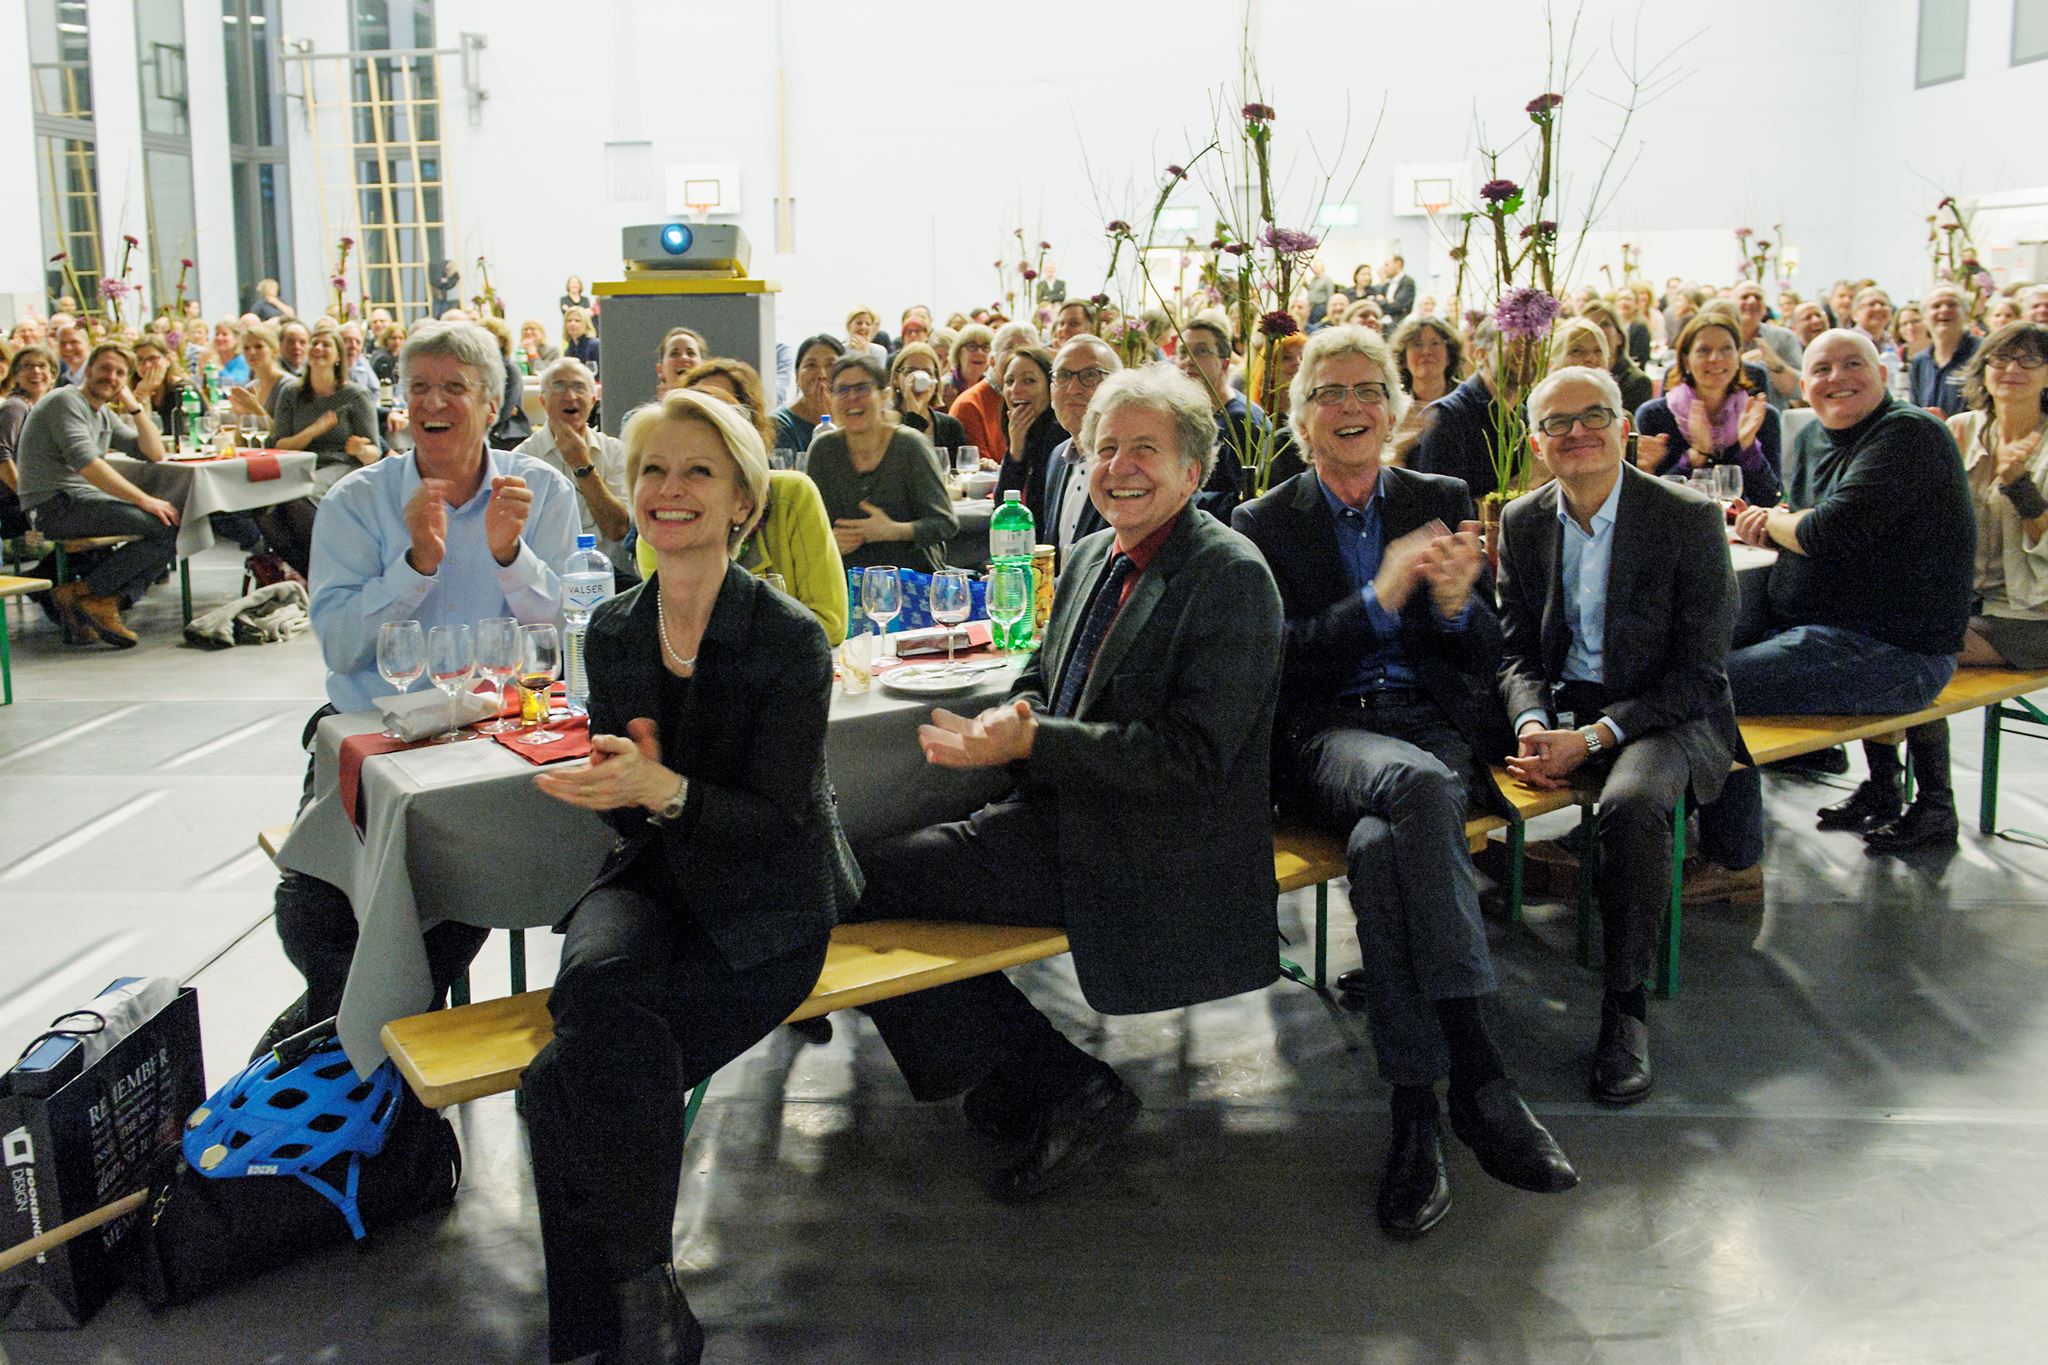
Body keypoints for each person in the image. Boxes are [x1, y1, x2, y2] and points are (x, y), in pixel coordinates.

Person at [848, 363, 1284, 1203]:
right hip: (1058, 815)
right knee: (863, 859)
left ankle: (1055, 1078)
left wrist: (1035, 740)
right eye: (1105, 447)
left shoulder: (1230, 576)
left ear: (1194, 471)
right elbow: (1046, 680)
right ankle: (1016, 1072)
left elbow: (1191, 760)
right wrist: (1013, 723)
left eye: (1144, 450)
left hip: (1152, 847)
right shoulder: (1090, 554)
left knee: (863, 880)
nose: (1118, 465)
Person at [523, 388, 852, 1364]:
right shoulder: (615, 632)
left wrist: (662, 786)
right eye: (652, 470)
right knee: (594, 986)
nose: (669, 490)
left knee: (559, 1081)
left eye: (697, 471)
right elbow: (633, 804)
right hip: (652, 878)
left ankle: (605, 1326)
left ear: (742, 501)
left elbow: (777, 820)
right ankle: (643, 1300)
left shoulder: (787, 639)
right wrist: (612, 787)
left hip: (766, 908)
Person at [1230, 326, 1577, 1238]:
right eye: (1331, 392)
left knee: (1387, 851)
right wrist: (1377, 600)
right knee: (1416, 793)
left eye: (1368, 390)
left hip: (1428, 726)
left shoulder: (1439, 495)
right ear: (1300, 415)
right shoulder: (1261, 524)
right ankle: (1480, 1071)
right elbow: (1279, 669)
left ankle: (1417, 1115)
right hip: (1326, 739)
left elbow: (1481, 650)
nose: (1351, 408)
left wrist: (1458, 603)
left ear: (1395, 408)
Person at [267, 322, 579, 1048]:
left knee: (443, 910)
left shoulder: (541, 493)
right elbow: (341, 642)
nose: (432, 404)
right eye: (418, 389)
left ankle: (353, 1082)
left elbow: (566, 638)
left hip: (493, 748)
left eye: (454, 388)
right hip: (374, 743)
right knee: (313, 913)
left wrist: (510, 556)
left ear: (493, 402)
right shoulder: (355, 501)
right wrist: (413, 565)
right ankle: (355, 1081)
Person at [1497, 365, 1750, 1104]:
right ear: (1536, 441)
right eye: (1556, 422)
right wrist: (1534, 721)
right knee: (1437, 757)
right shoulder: (1523, 520)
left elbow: (1702, 673)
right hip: (1568, 704)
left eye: (1593, 415)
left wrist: (1597, 737)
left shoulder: (1685, 517)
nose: (1576, 432)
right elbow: (1516, 652)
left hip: (1666, 709)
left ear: (1624, 429)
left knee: (1633, 805)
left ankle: (1624, 1005)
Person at [1706, 330, 1977, 878]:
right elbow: (1799, 514)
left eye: (1854, 364)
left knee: (1706, 688)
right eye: (1822, 369)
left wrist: (1776, 523)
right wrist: (1777, 521)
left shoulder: (1908, 435)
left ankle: (1731, 863)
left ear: (1882, 374)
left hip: (1895, 653)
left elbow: (1827, 531)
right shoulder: (1814, 436)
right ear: (1803, 385)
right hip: (1822, 628)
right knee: (1684, 651)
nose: (1837, 378)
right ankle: (1881, 790)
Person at [1859, 322, 2048, 856]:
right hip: (1964, 599)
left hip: (2032, 617)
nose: (2011, 370)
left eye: (2028, 360)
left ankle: (1935, 806)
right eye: (2000, 358)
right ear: (1983, 367)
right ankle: (1883, 785)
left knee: (1921, 650)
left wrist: (2019, 486)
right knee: (1866, 625)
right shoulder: (1961, 429)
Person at [666, 358, 848, 644]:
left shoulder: (792, 495)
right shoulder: (666, 517)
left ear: (748, 429)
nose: (703, 427)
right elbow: (678, 635)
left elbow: (830, 622)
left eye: (720, 413)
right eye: (693, 414)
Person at [14, 342, 179, 646]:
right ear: (87, 370)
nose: (111, 376)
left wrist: (134, 405)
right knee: (166, 524)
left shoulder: (102, 413)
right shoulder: (65, 401)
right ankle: (95, 597)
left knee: (173, 524)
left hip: (78, 502)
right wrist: (143, 499)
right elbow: (88, 465)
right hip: (53, 506)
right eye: (104, 368)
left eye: (120, 373)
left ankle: (92, 596)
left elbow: (154, 452)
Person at [806, 353, 957, 572]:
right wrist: (828, 542)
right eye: (842, 390)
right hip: (843, 582)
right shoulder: (823, 450)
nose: (852, 398)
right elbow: (809, 528)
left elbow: (945, 524)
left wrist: (893, 531)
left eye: (862, 388)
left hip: (911, 583)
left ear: (884, 395)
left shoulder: (910, 446)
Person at [258, 322, 383, 573]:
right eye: (314, 343)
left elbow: (374, 454)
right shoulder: (291, 393)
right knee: (263, 510)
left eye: (326, 344)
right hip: (297, 465)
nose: (318, 348)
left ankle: (332, 569)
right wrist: (314, 430)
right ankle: (316, 573)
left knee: (299, 499)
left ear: (338, 356)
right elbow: (280, 443)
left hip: (340, 465)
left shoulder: (355, 395)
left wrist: (359, 450)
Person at [1633, 312, 1783, 506]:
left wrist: (1749, 448)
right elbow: (1651, 501)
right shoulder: (1655, 415)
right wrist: (1696, 457)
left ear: (1739, 357)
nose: (1715, 358)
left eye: (1726, 349)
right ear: (1686, 360)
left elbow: (1770, 499)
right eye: (1704, 350)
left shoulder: (1761, 416)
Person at [516, 356, 634, 582]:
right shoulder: (523, 458)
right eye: (558, 386)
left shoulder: (616, 452)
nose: (570, 396)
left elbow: (618, 530)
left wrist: (581, 464)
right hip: (544, 580)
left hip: (608, 579)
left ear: (593, 399)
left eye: (579, 387)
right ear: (542, 400)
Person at [1410, 316, 1516, 501]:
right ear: (1481, 355)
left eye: (1536, 342)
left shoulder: (1524, 414)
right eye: (1513, 342)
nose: (1528, 351)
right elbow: (1443, 511)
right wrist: (1529, 481)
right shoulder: (1447, 416)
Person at [1040, 335, 1119, 565]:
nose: (1073, 388)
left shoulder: (1124, 464)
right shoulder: (1057, 458)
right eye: (1063, 376)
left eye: (1089, 376)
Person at [1177, 315, 1268, 511]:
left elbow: (1245, 500)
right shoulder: (1189, 414)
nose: (1189, 361)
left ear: (1225, 364)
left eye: (1201, 351)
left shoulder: (1242, 421)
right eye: (1183, 352)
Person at [950, 321, 1037, 463]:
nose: (1017, 357)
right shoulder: (969, 405)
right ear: (992, 360)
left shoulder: (1043, 401)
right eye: (1010, 348)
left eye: (1026, 349)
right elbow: (981, 471)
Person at [996, 345, 1065, 524]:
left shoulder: (1060, 436)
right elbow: (1003, 509)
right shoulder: (1022, 433)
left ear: (1050, 388)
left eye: (1028, 381)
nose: (1015, 390)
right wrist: (1015, 450)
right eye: (1009, 381)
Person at [0, 345, 59, 538]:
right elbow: (1, 455)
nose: (35, 371)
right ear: (15, 375)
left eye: (42, 366)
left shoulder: (44, 407)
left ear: (53, 375)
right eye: (27, 366)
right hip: (13, 504)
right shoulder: (15, 406)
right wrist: (27, 498)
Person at [1388, 315, 1462, 461]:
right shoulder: (1392, 408)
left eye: (1435, 343)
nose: (1426, 352)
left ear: (1449, 356)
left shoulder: (1464, 405)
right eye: (1417, 345)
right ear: (1402, 359)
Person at [1910, 284, 1979, 417]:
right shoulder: (1919, 362)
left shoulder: (1982, 353)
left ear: (1966, 313)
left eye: (1952, 304)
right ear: (1924, 317)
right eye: (1936, 306)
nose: (1944, 310)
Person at [1733, 281, 1803, 410]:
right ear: (1732, 304)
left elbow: (1800, 389)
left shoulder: (1784, 338)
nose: (1752, 301)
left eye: (1758, 297)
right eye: (1745, 297)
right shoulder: (1722, 338)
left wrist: (1775, 363)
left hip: (1773, 418)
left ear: (1765, 308)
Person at [889, 341, 967, 455]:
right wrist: (914, 415)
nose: (918, 379)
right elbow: (902, 464)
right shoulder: (885, 424)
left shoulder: (951, 426)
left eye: (927, 372)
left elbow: (959, 468)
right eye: (910, 371)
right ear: (896, 378)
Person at [1577, 300, 1654, 415]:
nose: (1597, 330)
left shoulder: (1637, 382)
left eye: (1604, 324)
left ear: (1620, 337)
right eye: (1590, 325)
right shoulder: (1574, 377)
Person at [772, 334, 840, 456]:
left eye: (831, 365)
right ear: (797, 376)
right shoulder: (779, 424)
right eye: (811, 365)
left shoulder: (853, 417)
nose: (822, 374)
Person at [481, 316, 534, 447]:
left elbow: (504, 409)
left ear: (502, 341)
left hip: (507, 433)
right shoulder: (478, 367)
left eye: (491, 337)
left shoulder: (509, 369)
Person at [228, 321, 289, 419]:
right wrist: (241, 415)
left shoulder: (287, 386)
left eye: (258, 346)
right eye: (246, 348)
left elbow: (281, 432)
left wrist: (254, 408)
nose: (251, 352)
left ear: (274, 350)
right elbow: (245, 431)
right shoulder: (251, 388)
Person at [945, 322, 994, 407]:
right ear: (958, 352)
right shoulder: (944, 387)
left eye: (985, 347)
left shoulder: (992, 389)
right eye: (972, 346)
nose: (980, 352)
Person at [1366, 254, 1418, 329]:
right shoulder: (1387, 284)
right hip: (1384, 326)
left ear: (1398, 264)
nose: (1384, 268)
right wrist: (1387, 301)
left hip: (1399, 326)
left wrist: (1383, 302)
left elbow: (1398, 306)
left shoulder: (1407, 282)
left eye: (1387, 265)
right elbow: (1375, 302)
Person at [653, 326, 706, 396]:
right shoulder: (653, 407)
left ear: (704, 366)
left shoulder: (718, 406)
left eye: (691, 353)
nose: (684, 357)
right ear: (660, 370)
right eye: (674, 354)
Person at [340, 321, 380, 394]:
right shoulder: (328, 368)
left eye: (358, 342)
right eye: (347, 341)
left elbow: (375, 389)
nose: (353, 346)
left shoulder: (361, 361)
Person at [211, 319, 252, 385]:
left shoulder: (242, 361)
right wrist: (200, 369)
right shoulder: (210, 360)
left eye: (224, 334)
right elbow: (198, 386)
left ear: (236, 339)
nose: (219, 338)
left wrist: (219, 367)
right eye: (217, 334)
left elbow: (236, 385)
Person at [53, 322, 89, 388]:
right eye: (62, 343)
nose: (68, 348)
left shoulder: (97, 376)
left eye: (74, 342)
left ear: (88, 344)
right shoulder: (61, 381)